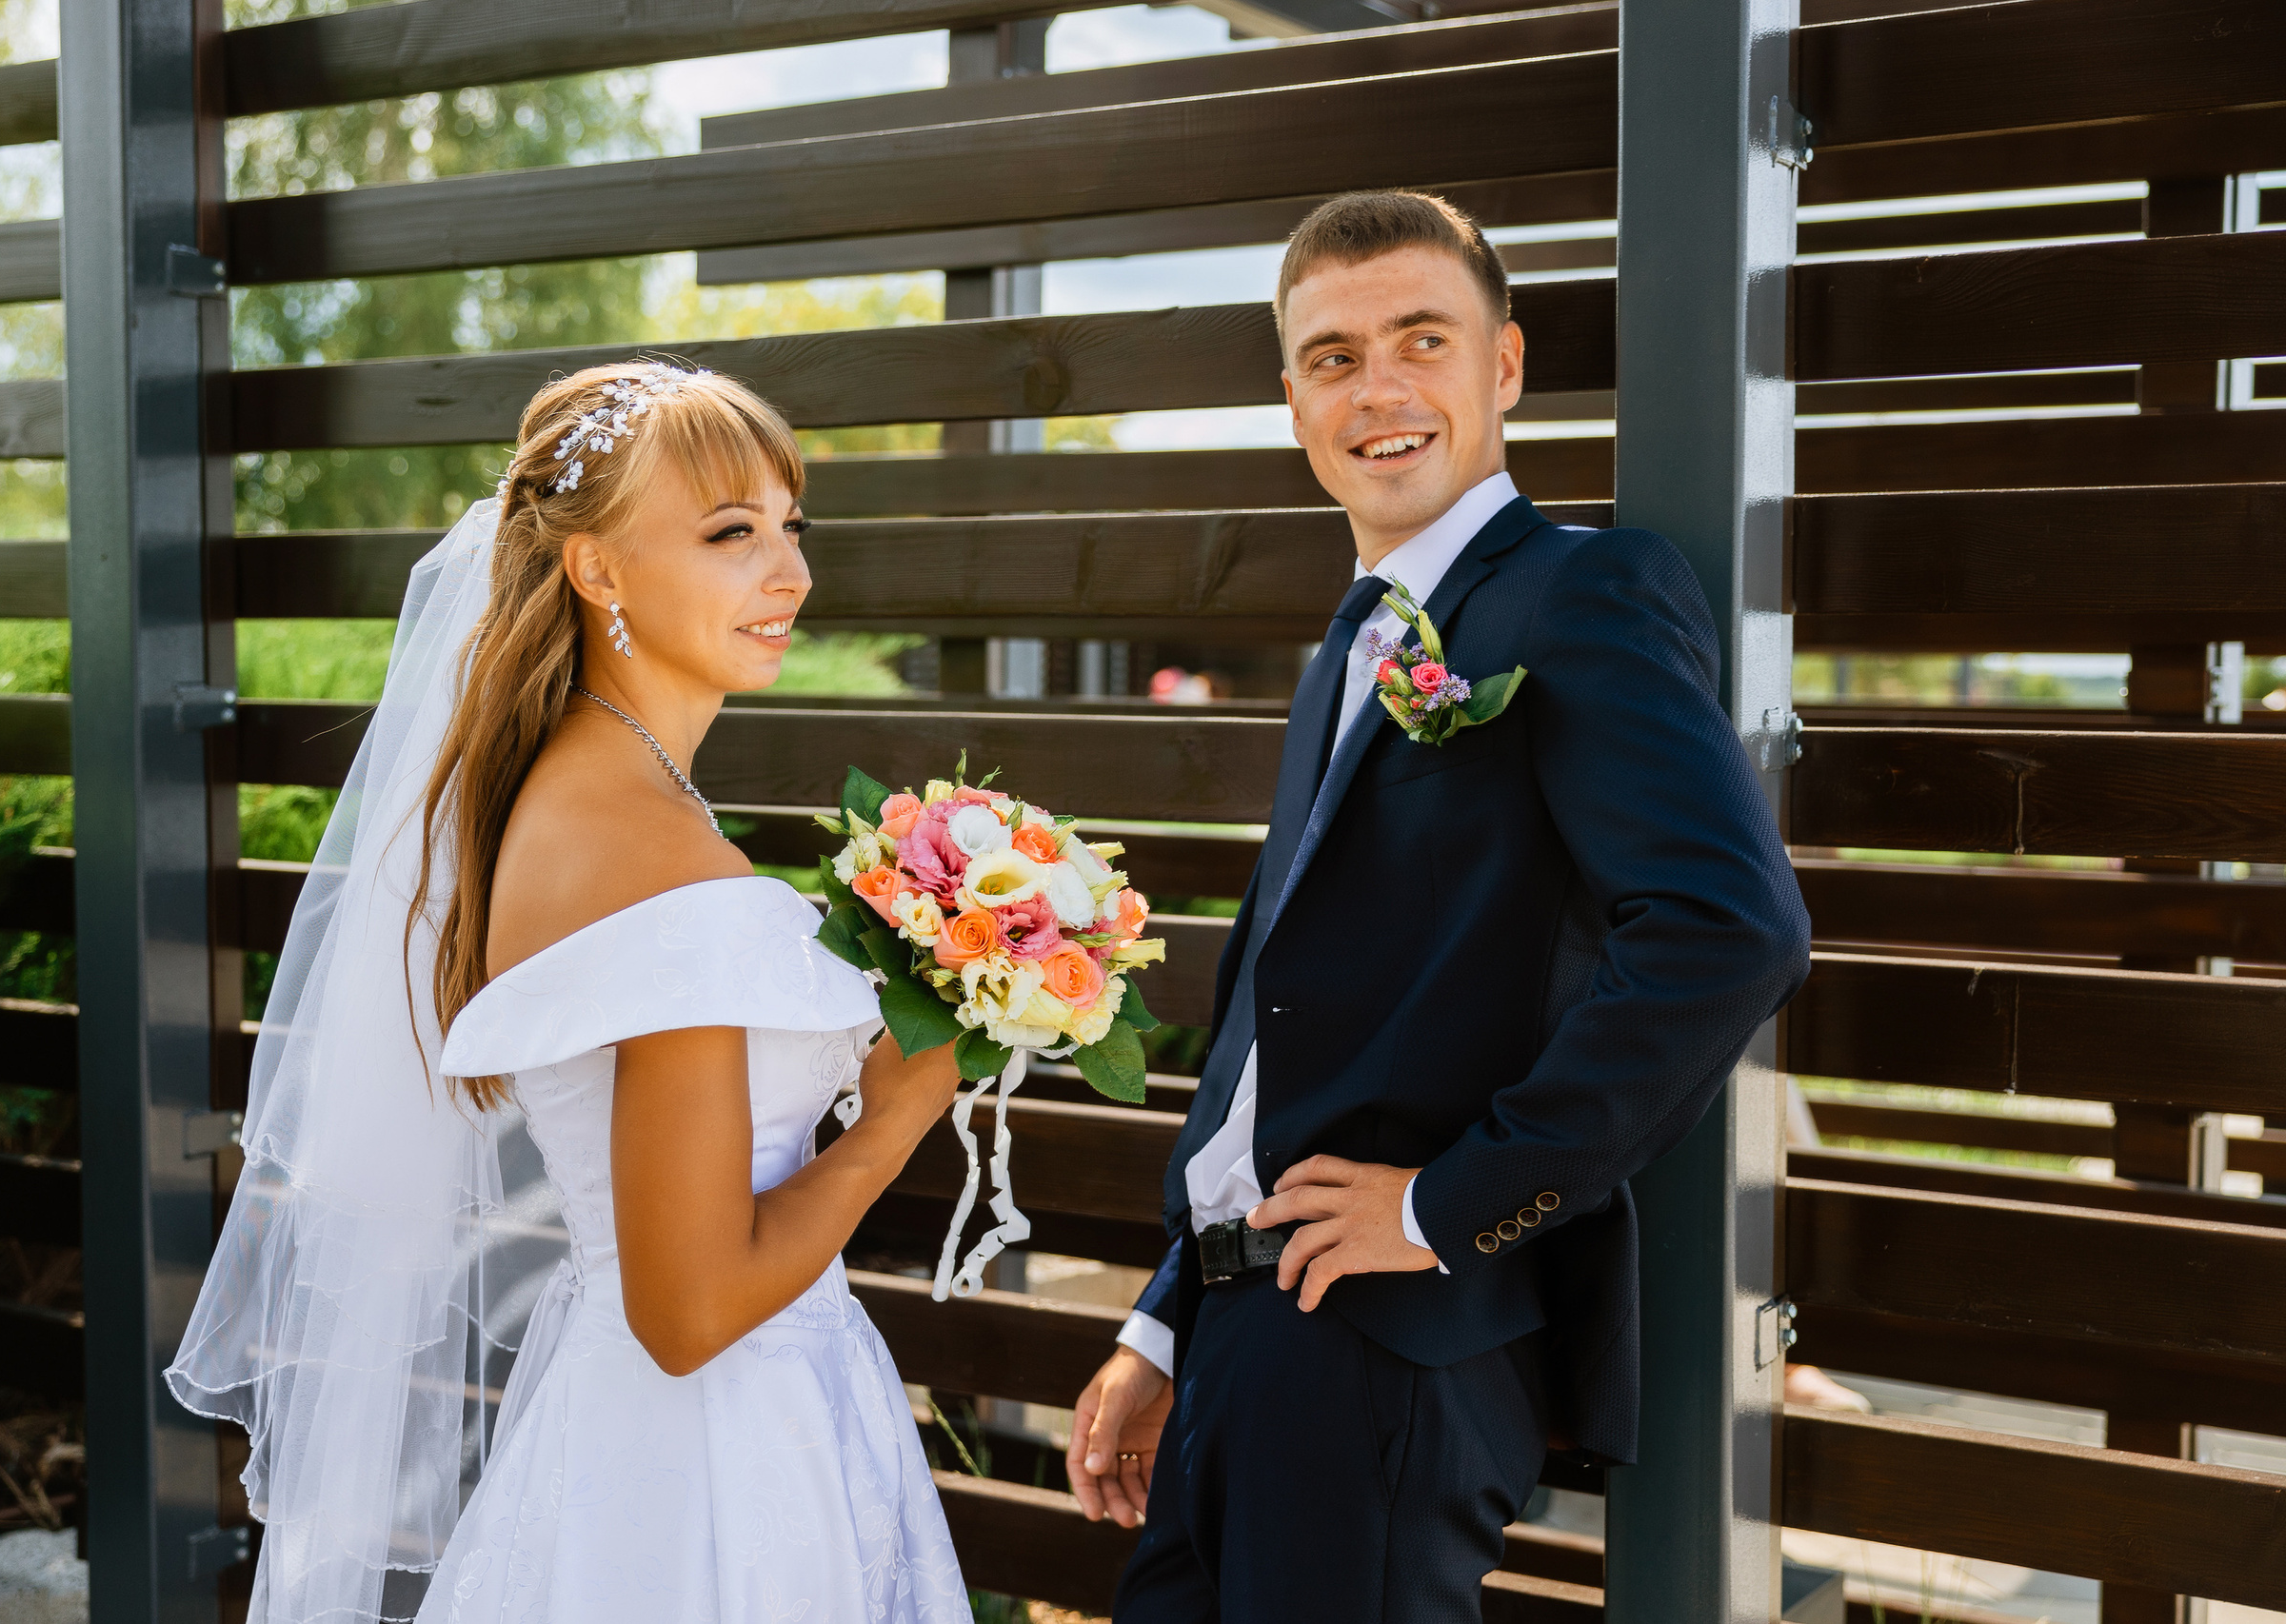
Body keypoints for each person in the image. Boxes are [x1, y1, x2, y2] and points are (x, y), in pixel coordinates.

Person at [1064, 191, 1811, 1620]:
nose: (1381, 388)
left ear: (1507, 366)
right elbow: (1278, 1031)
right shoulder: (1349, 642)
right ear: (1294, 402)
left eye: (1423, 339)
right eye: (1334, 356)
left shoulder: (1582, 594)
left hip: (1391, 1345)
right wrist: (1166, 1319)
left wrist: (1451, 1202)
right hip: (1245, 1333)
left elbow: (1733, 925)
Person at [167, 363, 973, 1623]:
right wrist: (895, 1120)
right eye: (730, 534)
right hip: (714, 1456)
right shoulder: (643, 845)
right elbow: (689, 1308)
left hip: (679, 1423)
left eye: (789, 526)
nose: (790, 573)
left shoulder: (609, 791)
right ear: (597, 571)